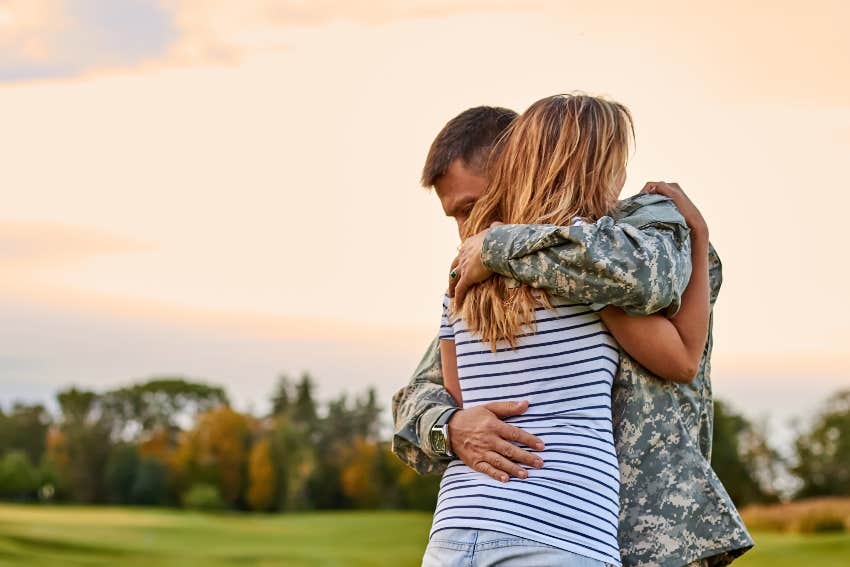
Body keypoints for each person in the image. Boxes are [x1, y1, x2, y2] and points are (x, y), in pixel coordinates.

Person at [392, 103, 753, 566]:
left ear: (516, 173)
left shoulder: (638, 229)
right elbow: (417, 403)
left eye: (470, 208)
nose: (466, 231)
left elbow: (643, 280)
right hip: (551, 530)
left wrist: (503, 247)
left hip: (651, 539)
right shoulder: (487, 283)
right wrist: (452, 428)